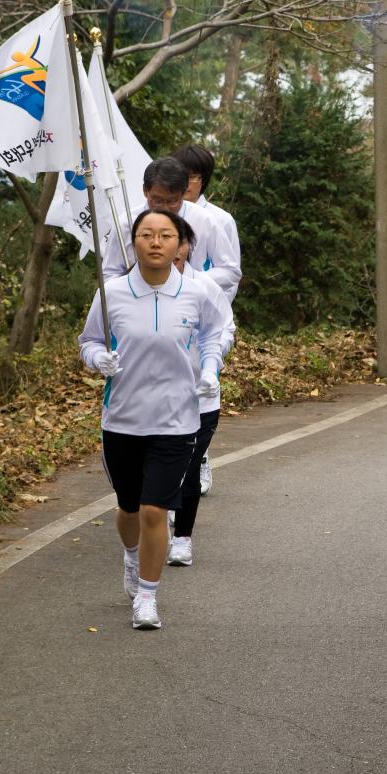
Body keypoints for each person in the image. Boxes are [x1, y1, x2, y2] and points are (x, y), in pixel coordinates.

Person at [80, 208, 226, 630]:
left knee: (153, 511)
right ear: (135, 243)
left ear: (180, 244)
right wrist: (98, 359)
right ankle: (131, 557)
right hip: (122, 420)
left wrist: (211, 369)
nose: (156, 242)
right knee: (128, 507)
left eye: (166, 235)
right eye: (147, 234)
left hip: (178, 421)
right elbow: (88, 341)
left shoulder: (197, 292)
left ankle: (147, 595)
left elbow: (213, 334)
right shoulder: (112, 293)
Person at [172, 144, 244, 497]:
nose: (185, 183)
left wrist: (192, 284)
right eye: (180, 175)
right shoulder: (158, 219)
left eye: (192, 177)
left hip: (205, 321)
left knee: (201, 391)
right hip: (165, 317)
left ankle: (198, 457)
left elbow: (231, 271)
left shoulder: (218, 219)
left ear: (203, 180)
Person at [166, 234, 236, 567]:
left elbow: (225, 328)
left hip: (201, 398)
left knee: (189, 466)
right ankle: (160, 511)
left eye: (176, 251)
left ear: (187, 251)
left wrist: (212, 364)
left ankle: (182, 538)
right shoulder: (136, 293)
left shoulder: (205, 288)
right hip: (157, 400)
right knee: (163, 468)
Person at [102, 157, 242, 303]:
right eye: (157, 200)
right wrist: (133, 287)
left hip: (191, 308)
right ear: (145, 191)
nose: (164, 208)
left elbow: (230, 271)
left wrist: (188, 280)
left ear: (183, 193)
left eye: (172, 201)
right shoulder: (126, 223)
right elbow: (110, 273)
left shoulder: (205, 220)